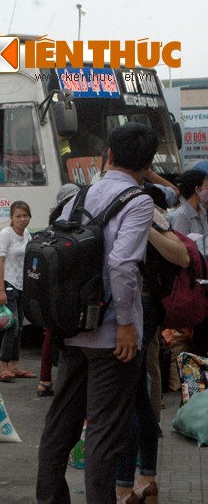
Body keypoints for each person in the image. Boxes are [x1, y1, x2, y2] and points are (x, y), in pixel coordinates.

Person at [36, 122, 158, 504]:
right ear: (148, 163)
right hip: (110, 340)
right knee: (105, 436)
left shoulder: (79, 196)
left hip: (72, 330)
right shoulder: (139, 202)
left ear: (107, 155)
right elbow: (123, 264)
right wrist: (125, 324)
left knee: (60, 428)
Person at [114, 182, 189, 504]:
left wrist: (146, 231)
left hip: (136, 306)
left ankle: (122, 486)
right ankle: (147, 477)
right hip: (139, 306)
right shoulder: (138, 206)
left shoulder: (145, 211)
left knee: (127, 397)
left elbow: (182, 257)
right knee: (139, 397)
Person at [36, 184, 80, 397]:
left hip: (49, 289)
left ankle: (45, 379)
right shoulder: (73, 225)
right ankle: (62, 382)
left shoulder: (52, 227)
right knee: (68, 336)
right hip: (65, 290)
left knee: (50, 334)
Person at [0, 201, 34, 383]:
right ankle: (4, 367)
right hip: (7, 284)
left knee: (20, 327)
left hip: (21, 285)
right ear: (11, 218)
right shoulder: (5, 234)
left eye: (25, 216)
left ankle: (15, 366)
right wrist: (1, 290)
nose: (22, 219)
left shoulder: (27, 234)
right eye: (18, 216)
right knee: (12, 326)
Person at [170, 169, 208, 235]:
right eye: (206, 185)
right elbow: (179, 243)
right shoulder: (182, 215)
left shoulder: (202, 211)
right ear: (197, 189)